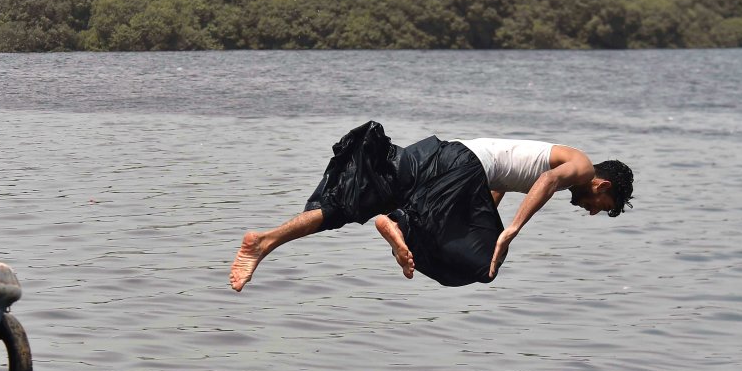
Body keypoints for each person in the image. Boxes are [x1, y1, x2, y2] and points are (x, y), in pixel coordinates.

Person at [229, 120, 633, 290]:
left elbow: (499, 184)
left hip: (443, 158)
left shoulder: (556, 161)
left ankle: (263, 242)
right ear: (602, 183)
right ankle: (398, 224)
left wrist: (489, 222)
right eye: (603, 203)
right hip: (461, 167)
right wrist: (510, 231)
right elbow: (543, 182)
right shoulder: (580, 166)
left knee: (345, 206)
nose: (593, 209)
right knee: (482, 267)